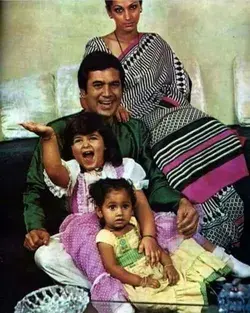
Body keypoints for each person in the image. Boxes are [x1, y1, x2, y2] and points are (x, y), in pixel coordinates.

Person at [21, 113, 250, 313]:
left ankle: (224, 260)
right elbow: (53, 170)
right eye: (78, 141)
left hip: (130, 231)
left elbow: (141, 206)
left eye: (92, 138)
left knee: (169, 224)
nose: (85, 145)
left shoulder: (125, 168)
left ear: (105, 144)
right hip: (93, 237)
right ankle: (114, 297)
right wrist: (49, 138)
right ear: (71, 150)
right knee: (55, 254)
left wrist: (149, 237)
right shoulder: (72, 174)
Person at [23, 51, 198, 292]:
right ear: (83, 94)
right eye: (98, 86)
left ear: (122, 90)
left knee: (176, 228)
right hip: (80, 236)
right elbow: (35, 187)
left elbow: (153, 178)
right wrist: (35, 226)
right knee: (46, 257)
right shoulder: (58, 131)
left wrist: (179, 202)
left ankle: (141, 278)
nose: (107, 93)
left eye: (114, 85)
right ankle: (117, 287)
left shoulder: (134, 129)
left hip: (126, 228)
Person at [83, 0, 249, 249]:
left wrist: (172, 104)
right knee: (166, 142)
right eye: (119, 10)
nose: (128, 16)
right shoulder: (97, 46)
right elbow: (94, 87)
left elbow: (178, 79)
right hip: (132, 120)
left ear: (141, 7)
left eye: (133, 7)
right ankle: (213, 218)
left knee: (211, 129)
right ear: (109, 12)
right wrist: (116, 105)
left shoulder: (155, 43)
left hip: (168, 109)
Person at [91, 178, 229, 313]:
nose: (119, 212)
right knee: (147, 299)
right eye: (112, 207)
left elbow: (154, 248)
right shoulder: (105, 236)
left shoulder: (133, 223)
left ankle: (213, 293)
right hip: (133, 276)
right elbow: (112, 268)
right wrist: (141, 281)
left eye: (125, 206)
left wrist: (168, 265)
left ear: (132, 208)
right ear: (99, 211)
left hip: (152, 264)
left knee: (181, 272)